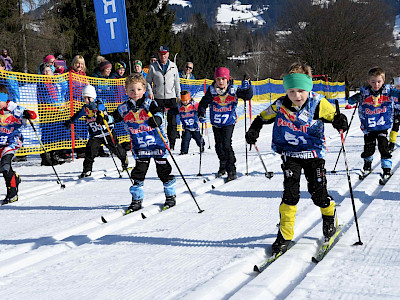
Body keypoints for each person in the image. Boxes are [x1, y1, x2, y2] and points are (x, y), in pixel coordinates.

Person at [245, 62, 349, 255]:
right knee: (290, 194)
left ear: (308, 88)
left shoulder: (318, 103)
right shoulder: (281, 104)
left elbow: (336, 117)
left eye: (301, 91)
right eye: (291, 91)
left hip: (314, 153)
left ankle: (329, 215)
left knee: (318, 193)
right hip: (290, 153)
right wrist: (253, 130)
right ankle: (285, 235)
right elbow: (261, 117)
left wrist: (339, 121)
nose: (296, 96)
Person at [108, 73, 176, 212]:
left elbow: (158, 113)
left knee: (163, 170)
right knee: (139, 172)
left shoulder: (149, 103)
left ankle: (170, 195)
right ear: (126, 91)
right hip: (140, 145)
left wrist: (157, 119)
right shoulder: (124, 108)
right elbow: (114, 117)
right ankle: (137, 199)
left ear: (144, 90)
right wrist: (104, 118)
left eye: (139, 89)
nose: (135, 93)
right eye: (132, 90)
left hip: (156, 143)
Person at [198, 67, 253, 181]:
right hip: (216, 122)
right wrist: (201, 113)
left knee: (226, 144)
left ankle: (231, 169)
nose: (221, 82)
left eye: (223, 79)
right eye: (218, 79)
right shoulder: (212, 90)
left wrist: (248, 87)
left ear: (227, 79)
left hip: (229, 121)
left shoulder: (233, 89)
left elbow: (247, 96)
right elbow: (203, 103)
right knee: (218, 146)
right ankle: (222, 164)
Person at [64, 84, 128, 178]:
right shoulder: (85, 108)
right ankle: (87, 170)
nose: (85, 100)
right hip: (95, 135)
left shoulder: (99, 104)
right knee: (89, 151)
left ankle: (124, 160)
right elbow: (78, 114)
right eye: (84, 98)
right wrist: (70, 121)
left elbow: (102, 108)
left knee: (115, 148)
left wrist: (97, 110)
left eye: (87, 98)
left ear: (92, 97)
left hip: (107, 132)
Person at [348, 67, 400, 181]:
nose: (376, 85)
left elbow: (398, 93)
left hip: (382, 126)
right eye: (373, 82)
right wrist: (356, 98)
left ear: (383, 80)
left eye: (379, 82)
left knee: (383, 147)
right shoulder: (365, 92)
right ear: (368, 81)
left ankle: (386, 168)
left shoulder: (388, 91)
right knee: (368, 148)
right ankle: (367, 165)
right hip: (369, 127)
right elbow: (350, 101)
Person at [0, 84, 37, 204]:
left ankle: (12, 193)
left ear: (5, 100)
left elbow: (32, 114)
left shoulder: (13, 108)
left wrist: (29, 114)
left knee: (5, 166)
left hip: (12, 141)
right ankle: (14, 178)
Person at [146, 46, 181, 150]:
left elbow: (177, 82)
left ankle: (172, 143)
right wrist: (150, 92)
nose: (163, 56)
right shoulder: (153, 66)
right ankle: (159, 142)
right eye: (161, 54)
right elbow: (148, 81)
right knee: (158, 120)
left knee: (172, 121)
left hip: (171, 97)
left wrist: (178, 95)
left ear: (168, 54)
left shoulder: (173, 66)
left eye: (165, 54)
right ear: (158, 55)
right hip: (158, 97)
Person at [37, 63, 69, 166]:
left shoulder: (54, 83)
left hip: (57, 111)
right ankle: (46, 156)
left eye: (49, 71)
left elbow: (65, 88)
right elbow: (47, 97)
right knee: (47, 134)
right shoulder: (41, 83)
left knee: (56, 134)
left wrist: (59, 78)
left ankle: (55, 154)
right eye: (45, 71)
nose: (47, 73)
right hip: (47, 112)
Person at [66, 55, 88, 159]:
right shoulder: (69, 73)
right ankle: (69, 149)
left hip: (81, 103)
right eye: (78, 63)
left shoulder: (84, 75)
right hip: (71, 104)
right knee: (71, 127)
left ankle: (81, 149)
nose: (79, 65)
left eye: (81, 64)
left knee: (82, 127)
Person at [177, 90, 204, 155]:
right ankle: (184, 150)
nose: (185, 102)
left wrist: (202, 115)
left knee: (198, 138)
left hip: (195, 126)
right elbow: (174, 111)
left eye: (187, 100)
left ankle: (202, 145)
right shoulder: (180, 106)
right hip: (186, 126)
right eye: (184, 101)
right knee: (185, 138)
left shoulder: (194, 105)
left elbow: (201, 109)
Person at [388, 76, 400, 153]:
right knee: (395, 128)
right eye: (397, 86)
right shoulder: (393, 92)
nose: (398, 87)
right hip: (396, 114)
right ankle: (391, 143)